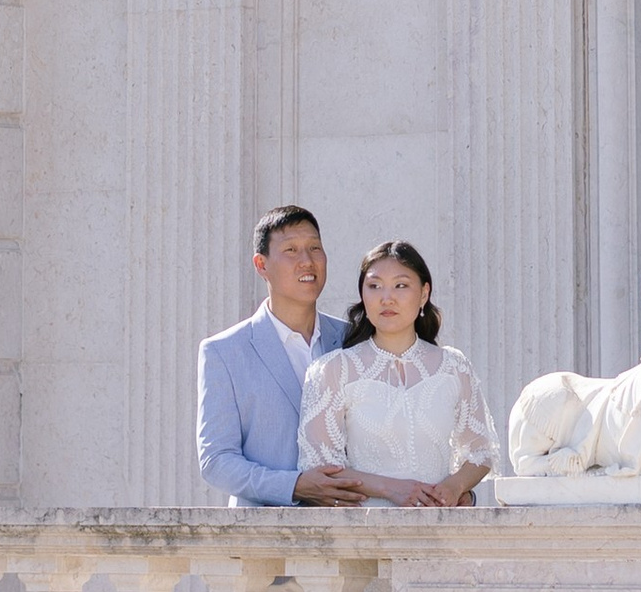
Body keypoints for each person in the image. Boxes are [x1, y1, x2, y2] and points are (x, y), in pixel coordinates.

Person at [296, 242, 495, 508]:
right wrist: (393, 490)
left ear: (424, 294)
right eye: (374, 286)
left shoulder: (454, 367)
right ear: (363, 295)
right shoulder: (332, 370)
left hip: (439, 530)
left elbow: (481, 451)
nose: (386, 298)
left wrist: (454, 486)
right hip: (364, 533)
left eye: (401, 285)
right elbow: (321, 468)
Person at [198, 207, 367, 507]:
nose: (307, 261)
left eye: (315, 248)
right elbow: (216, 461)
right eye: (291, 250)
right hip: (264, 540)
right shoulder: (224, 352)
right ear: (261, 265)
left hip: (349, 535)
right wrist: (294, 486)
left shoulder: (353, 340)